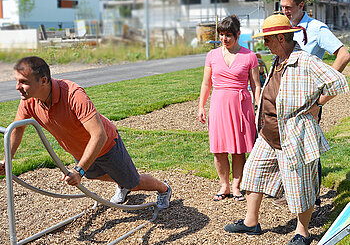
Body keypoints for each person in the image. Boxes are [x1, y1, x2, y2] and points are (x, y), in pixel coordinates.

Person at [223, 14, 349, 245]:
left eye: (268, 40)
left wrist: (317, 104)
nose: (265, 45)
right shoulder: (277, 59)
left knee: (300, 185)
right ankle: (251, 222)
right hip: (268, 135)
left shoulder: (305, 61)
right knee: (253, 174)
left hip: (293, 136)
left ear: (281, 38)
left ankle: (302, 232)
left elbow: (336, 81)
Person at [0, 56, 172, 210]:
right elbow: (17, 129)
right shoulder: (29, 101)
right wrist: (7, 159)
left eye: (23, 82)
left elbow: (99, 135)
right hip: (80, 150)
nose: (17, 87)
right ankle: (121, 183)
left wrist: (79, 171)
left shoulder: (73, 94)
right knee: (94, 175)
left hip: (105, 146)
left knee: (134, 182)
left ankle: (163, 189)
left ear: (44, 80)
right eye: (17, 81)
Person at [278, 0, 350, 206]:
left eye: (288, 8)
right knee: (288, 144)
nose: (284, 12)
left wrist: (320, 99)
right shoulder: (284, 26)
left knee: (308, 148)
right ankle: (292, 191)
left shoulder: (317, 29)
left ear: (301, 5)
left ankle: (311, 198)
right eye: (282, 7)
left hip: (307, 101)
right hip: (286, 99)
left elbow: (344, 55)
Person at [198, 15, 261, 201]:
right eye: (222, 35)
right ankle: (224, 185)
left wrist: (259, 107)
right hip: (218, 105)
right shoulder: (212, 55)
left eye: (228, 35)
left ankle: (236, 186)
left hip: (240, 106)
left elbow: (256, 85)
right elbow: (205, 84)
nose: (224, 39)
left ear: (238, 34)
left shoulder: (249, 56)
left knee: (238, 149)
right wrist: (201, 105)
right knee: (218, 148)